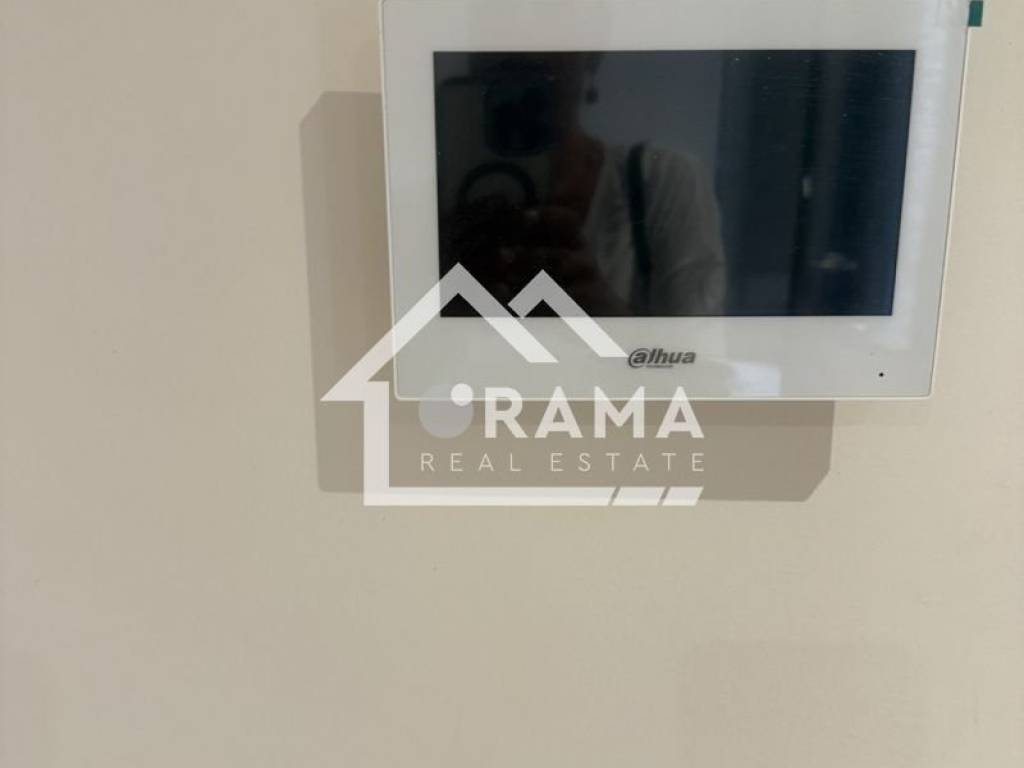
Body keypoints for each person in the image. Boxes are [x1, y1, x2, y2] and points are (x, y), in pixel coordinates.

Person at [440, 52, 726, 317]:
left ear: (592, 58)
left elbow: (699, 349)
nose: (524, 48)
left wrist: (599, 312)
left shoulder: (662, 180)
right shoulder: (431, 199)